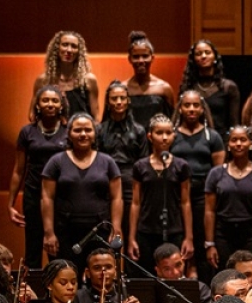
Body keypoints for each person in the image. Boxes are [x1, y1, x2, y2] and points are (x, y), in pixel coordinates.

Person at [41, 113, 123, 267]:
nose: (83, 134)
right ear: (69, 134)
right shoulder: (56, 162)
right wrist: (48, 232)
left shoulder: (108, 162)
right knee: (65, 275)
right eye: (78, 130)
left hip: (100, 232)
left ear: (95, 133)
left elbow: (117, 197)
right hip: (65, 232)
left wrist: (116, 228)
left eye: (88, 130)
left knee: (100, 276)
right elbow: (47, 198)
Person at [9, 86, 69, 266]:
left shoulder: (69, 131)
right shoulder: (27, 132)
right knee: (33, 249)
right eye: (45, 100)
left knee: (59, 250)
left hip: (61, 196)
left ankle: (62, 291)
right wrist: (10, 204)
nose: (50, 104)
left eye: (54, 100)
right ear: (37, 105)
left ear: (61, 105)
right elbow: (18, 170)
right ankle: (31, 293)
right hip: (33, 193)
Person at [170, 90, 225, 279]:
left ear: (202, 109)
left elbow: (219, 171)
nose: (191, 109)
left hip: (204, 195)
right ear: (180, 108)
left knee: (202, 243)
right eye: (187, 105)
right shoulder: (172, 135)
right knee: (181, 244)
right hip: (177, 195)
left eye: (196, 105)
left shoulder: (212, 137)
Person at [204, 125, 252, 268]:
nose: (238, 144)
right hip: (223, 234)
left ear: (250, 144)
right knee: (225, 276)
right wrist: (210, 244)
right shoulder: (216, 174)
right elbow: (209, 211)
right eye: (234, 140)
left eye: (243, 140)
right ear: (228, 145)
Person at [129, 115, 194, 270]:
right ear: (150, 136)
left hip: (173, 229)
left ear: (174, 135)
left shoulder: (181, 166)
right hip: (147, 229)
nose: (164, 138)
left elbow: (185, 202)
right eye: (159, 133)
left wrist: (188, 237)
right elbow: (136, 202)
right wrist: (132, 237)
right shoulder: (140, 166)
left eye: (168, 133)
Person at [96, 80, 148, 217]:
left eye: (122, 98)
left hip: (131, 181)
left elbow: (143, 163)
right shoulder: (99, 130)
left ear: (128, 101)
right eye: (114, 98)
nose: (119, 102)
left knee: (129, 220)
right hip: (106, 179)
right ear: (108, 102)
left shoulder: (139, 131)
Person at [33, 30, 99, 121]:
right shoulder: (43, 80)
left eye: (74, 46)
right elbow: (32, 115)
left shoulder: (89, 80)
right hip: (53, 133)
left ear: (79, 51)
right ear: (57, 48)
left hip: (80, 132)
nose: (69, 50)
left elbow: (96, 117)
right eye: (65, 45)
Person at [178, 39, 241, 135]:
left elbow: (234, 123)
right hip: (193, 140)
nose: (203, 56)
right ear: (193, 60)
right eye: (198, 54)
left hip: (221, 141)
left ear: (215, 57)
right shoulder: (187, 87)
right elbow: (180, 120)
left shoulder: (228, 87)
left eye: (207, 53)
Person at [124, 31, 175, 127]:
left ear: (152, 58)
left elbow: (172, 121)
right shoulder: (123, 89)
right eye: (136, 57)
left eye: (145, 56)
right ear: (129, 59)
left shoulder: (164, 89)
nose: (141, 60)